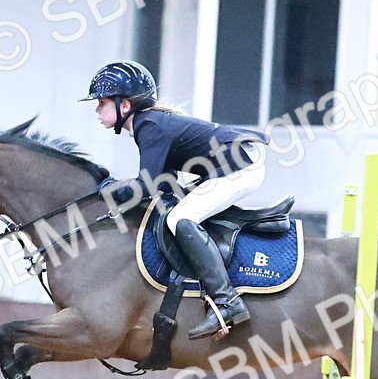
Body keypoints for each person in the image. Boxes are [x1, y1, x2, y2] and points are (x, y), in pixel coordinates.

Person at [83, 61, 267, 340]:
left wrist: (111, 189)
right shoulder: (147, 125)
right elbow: (164, 183)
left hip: (242, 165)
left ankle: (228, 302)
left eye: (102, 102)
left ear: (124, 106)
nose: (97, 109)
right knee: (176, 213)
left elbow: (147, 185)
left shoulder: (149, 127)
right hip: (236, 163)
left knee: (180, 218)